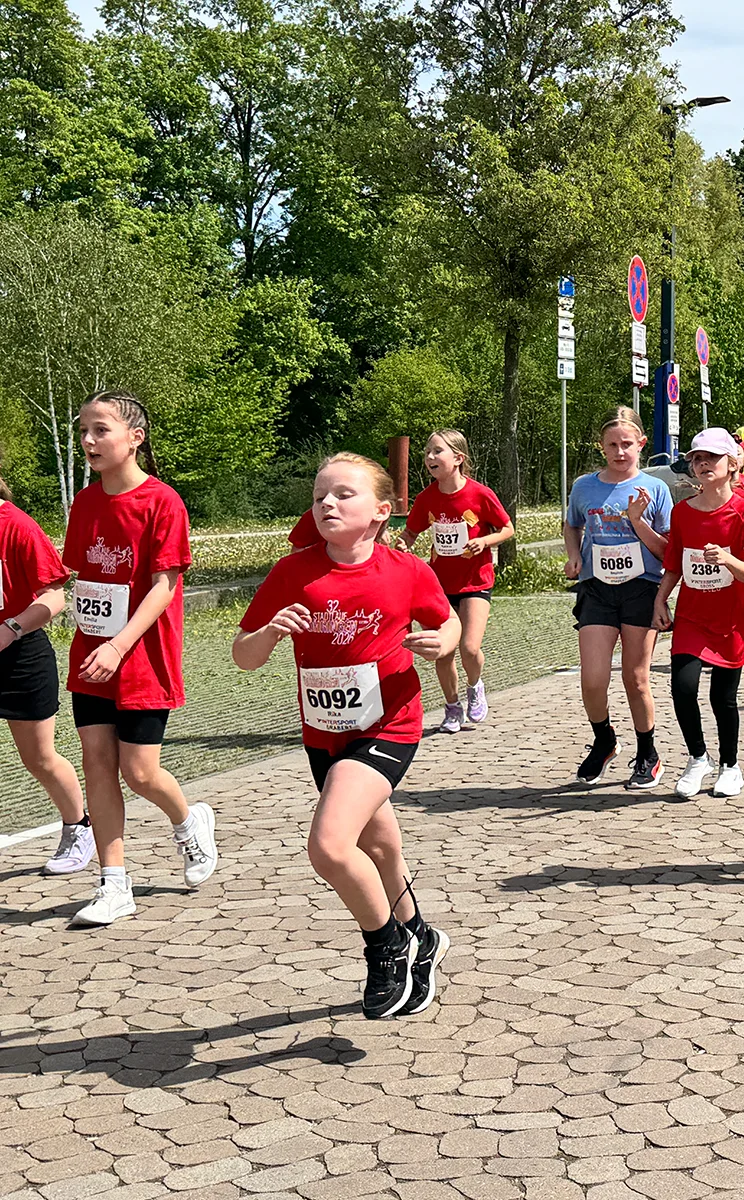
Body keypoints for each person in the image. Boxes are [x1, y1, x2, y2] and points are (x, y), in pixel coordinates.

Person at [235, 453, 460, 1019]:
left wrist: (445, 640)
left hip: (391, 725)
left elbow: (447, 620)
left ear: (382, 511)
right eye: (319, 497)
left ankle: (387, 947)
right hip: (325, 734)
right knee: (379, 847)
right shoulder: (293, 572)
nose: (327, 504)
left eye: (343, 494)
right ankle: (422, 935)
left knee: (331, 846)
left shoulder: (406, 571)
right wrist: (269, 631)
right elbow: (243, 655)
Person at [64, 391, 218, 927]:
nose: (88, 441)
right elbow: (85, 577)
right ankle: (114, 883)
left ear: (135, 438)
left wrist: (118, 645)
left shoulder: (162, 502)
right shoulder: (85, 503)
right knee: (96, 761)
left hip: (141, 657)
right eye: (83, 431)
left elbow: (163, 587)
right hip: (91, 655)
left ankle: (189, 820)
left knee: (139, 771)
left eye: (100, 430)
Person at [653, 429, 744, 799]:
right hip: (692, 615)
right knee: (683, 687)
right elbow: (674, 564)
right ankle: (697, 757)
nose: (704, 464)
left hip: (732, 618)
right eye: (697, 458)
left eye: (712, 458)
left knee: (723, 698)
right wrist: (660, 600)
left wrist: (727, 559)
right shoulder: (683, 512)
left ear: (732, 464)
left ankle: (730, 766)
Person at [563, 407, 672, 789]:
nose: (620, 452)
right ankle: (604, 740)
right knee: (593, 679)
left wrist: (638, 521)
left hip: (641, 587)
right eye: (612, 445)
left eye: (627, 444)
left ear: (641, 444)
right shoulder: (584, 486)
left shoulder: (655, 489)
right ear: (601, 447)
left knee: (635, 678)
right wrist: (574, 555)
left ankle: (648, 753)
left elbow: (667, 551)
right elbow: (572, 524)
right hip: (596, 588)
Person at [0, 477, 93, 876]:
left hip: (19, 655)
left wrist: (11, 629)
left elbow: (55, 596)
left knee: (39, 757)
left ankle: (79, 827)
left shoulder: (17, 526)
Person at [400, 430, 513, 734]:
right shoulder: (426, 498)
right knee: (443, 651)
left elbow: (507, 528)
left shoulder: (480, 494)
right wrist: (403, 544)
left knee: (470, 648)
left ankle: (475, 686)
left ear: (458, 458)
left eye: (437, 451)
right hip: (439, 585)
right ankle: (452, 707)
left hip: (475, 581)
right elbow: (411, 532)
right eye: (427, 452)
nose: (430, 457)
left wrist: (484, 541)